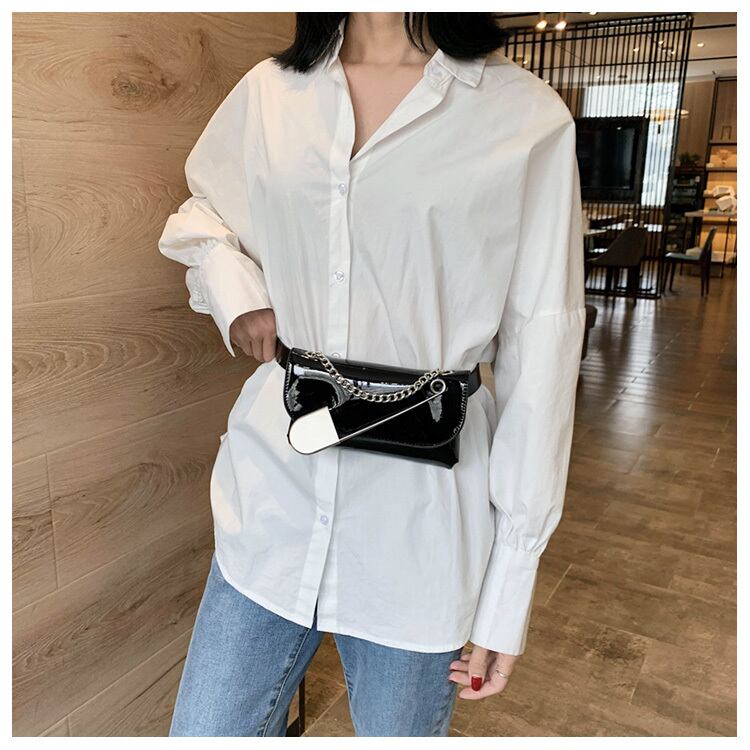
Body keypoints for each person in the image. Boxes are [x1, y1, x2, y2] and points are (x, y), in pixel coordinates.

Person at [158, 11, 586, 737]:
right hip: (272, 503)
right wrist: (236, 289)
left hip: (419, 533)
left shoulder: (524, 116)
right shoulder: (269, 93)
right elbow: (205, 211)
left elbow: (542, 348)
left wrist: (510, 587)